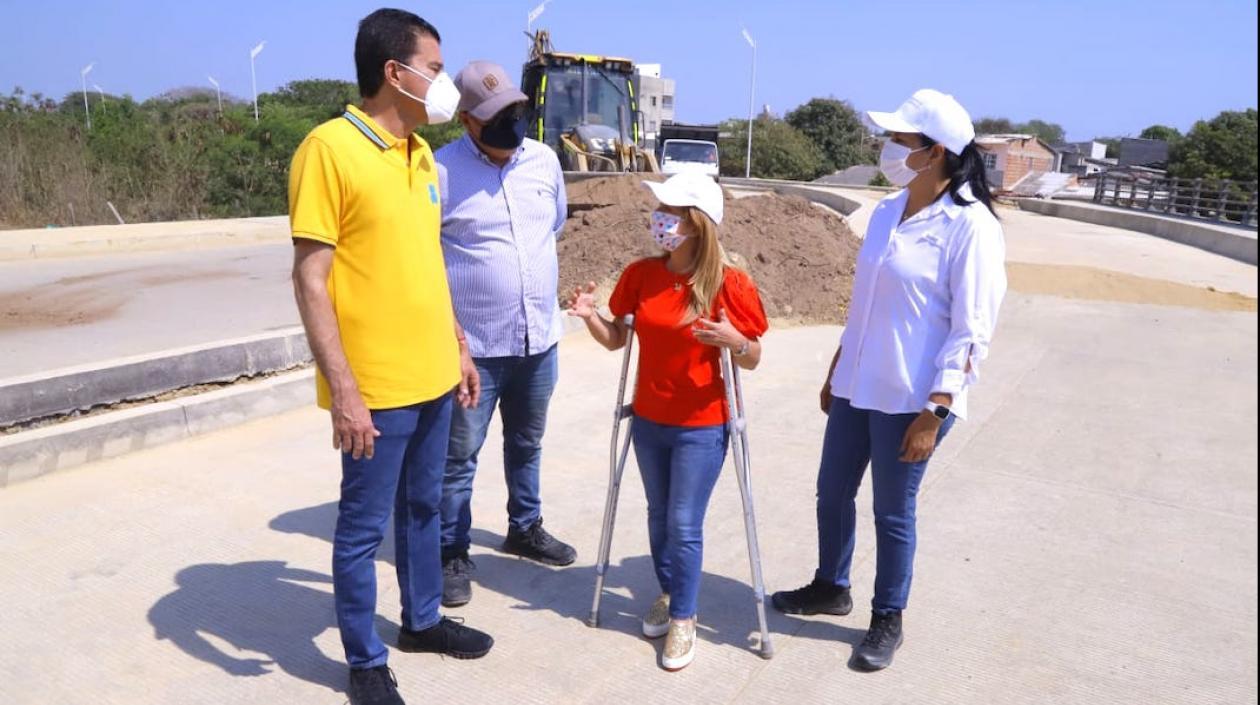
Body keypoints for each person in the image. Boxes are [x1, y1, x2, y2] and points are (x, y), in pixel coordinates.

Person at [288, 9, 493, 705]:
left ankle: (422, 620)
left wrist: (458, 345)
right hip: (374, 387)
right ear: (394, 72)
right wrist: (343, 390)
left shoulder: (422, 154)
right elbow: (310, 278)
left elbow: (426, 261)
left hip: (434, 373)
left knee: (424, 508)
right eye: (434, 68)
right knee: (362, 528)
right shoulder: (329, 148)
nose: (443, 80)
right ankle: (364, 660)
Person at [770, 89, 1007, 672]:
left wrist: (937, 408)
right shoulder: (884, 212)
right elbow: (865, 305)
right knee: (832, 492)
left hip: (912, 397)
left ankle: (887, 616)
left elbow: (972, 329)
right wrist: (837, 368)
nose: (889, 149)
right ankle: (831, 585)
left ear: (936, 151)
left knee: (892, 511)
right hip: (858, 384)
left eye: (900, 140)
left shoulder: (970, 226)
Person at [567, 172, 769, 672]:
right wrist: (590, 316)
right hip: (650, 419)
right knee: (658, 516)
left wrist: (735, 341)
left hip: (702, 424)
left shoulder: (729, 283)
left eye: (671, 212)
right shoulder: (642, 274)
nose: (659, 219)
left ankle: (683, 616)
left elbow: (752, 357)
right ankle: (670, 590)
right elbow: (617, 339)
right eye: (660, 209)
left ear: (697, 223)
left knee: (682, 522)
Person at [434, 61, 575, 609]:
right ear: (467, 119)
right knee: (459, 457)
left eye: (515, 111)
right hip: (474, 350)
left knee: (526, 443)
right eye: (495, 116)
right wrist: (453, 340)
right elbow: (425, 257)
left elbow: (553, 225)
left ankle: (525, 525)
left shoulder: (544, 161)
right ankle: (450, 550)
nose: (510, 123)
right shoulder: (440, 171)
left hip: (538, 341)